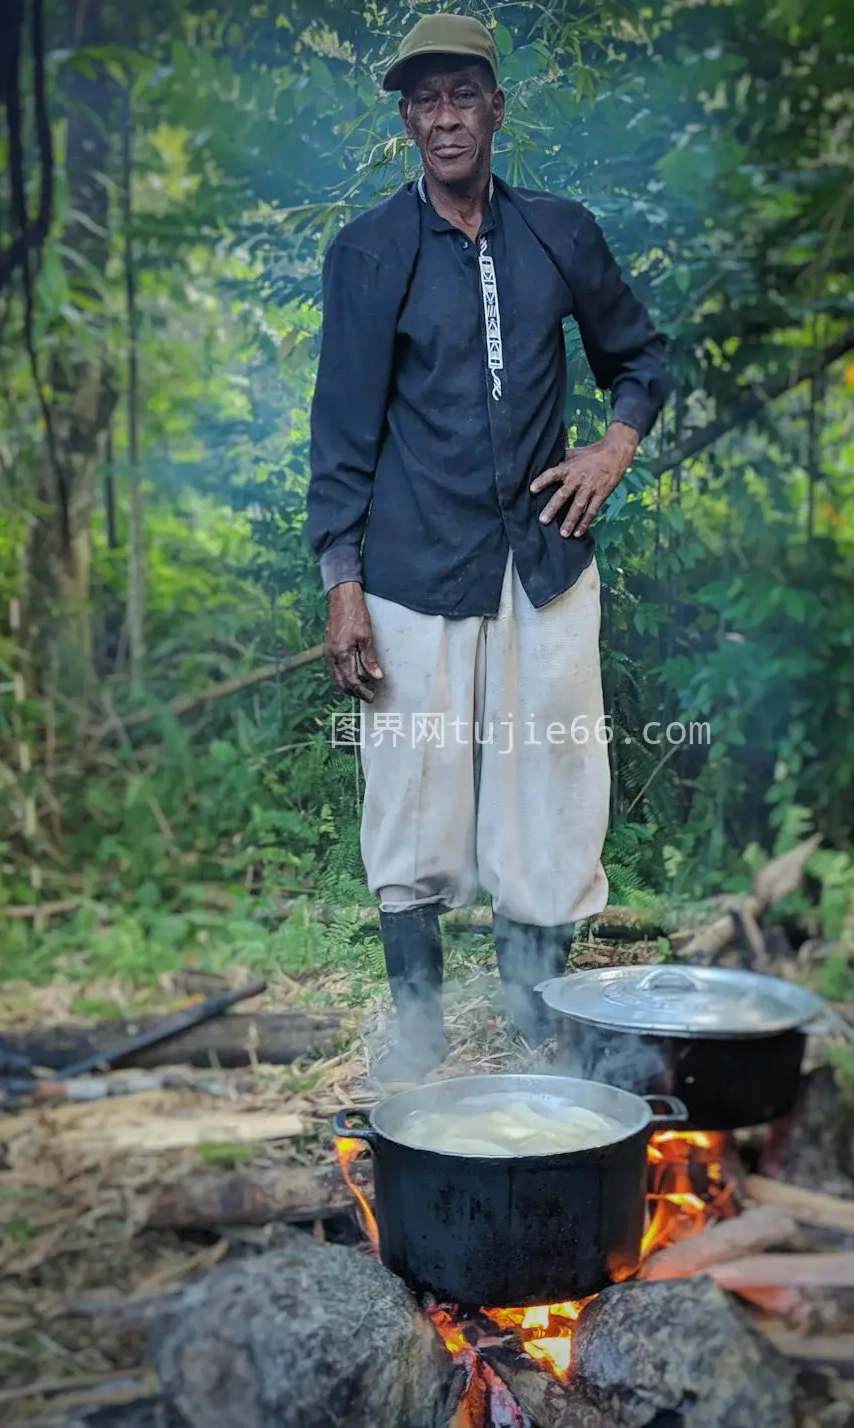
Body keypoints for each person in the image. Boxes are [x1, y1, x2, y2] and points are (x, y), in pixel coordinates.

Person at [307, 14, 672, 1081]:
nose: (446, 116)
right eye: (425, 100)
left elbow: (639, 358)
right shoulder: (370, 252)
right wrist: (343, 582)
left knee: (552, 795)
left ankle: (536, 1032)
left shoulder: (560, 233)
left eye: (464, 93)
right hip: (416, 563)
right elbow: (340, 434)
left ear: (496, 107)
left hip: (547, 559)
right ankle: (416, 1036)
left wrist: (612, 447)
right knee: (411, 795)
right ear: (407, 119)